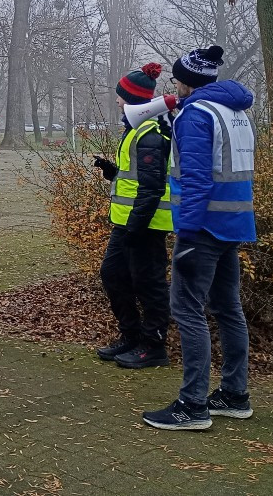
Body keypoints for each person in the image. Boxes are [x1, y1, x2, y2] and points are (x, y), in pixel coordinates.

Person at [143, 46, 257, 431]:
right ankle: (234, 395)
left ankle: (193, 405)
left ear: (186, 80)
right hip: (234, 224)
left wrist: (187, 234)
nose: (174, 84)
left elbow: (195, 177)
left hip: (203, 228)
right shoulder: (235, 111)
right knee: (228, 308)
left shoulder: (196, 114)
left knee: (188, 310)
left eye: (176, 78)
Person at [93, 64, 173, 369]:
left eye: (121, 96)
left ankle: (154, 347)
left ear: (134, 100)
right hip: (128, 223)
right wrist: (111, 172)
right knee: (114, 275)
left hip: (146, 225)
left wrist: (136, 228)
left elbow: (152, 188)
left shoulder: (150, 132)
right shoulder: (135, 130)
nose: (117, 101)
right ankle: (131, 336)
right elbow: (136, 178)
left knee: (148, 283)